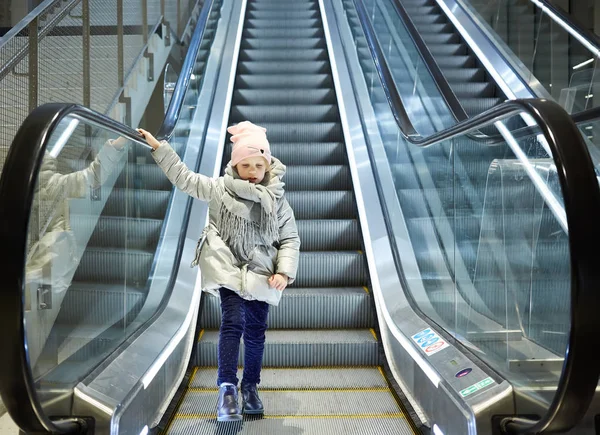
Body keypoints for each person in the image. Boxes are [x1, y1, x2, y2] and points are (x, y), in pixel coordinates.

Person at [137, 121, 300, 421]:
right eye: (245, 164)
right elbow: (185, 179)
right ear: (234, 164)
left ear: (268, 165)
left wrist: (284, 271)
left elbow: (289, 238)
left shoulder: (277, 200)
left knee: (255, 333)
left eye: (258, 165)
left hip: (262, 273)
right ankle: (227, 389)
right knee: (232, 323)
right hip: (227, 269)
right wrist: (160, 149)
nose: (252, 171)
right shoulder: (219, 189)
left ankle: (250, 388)